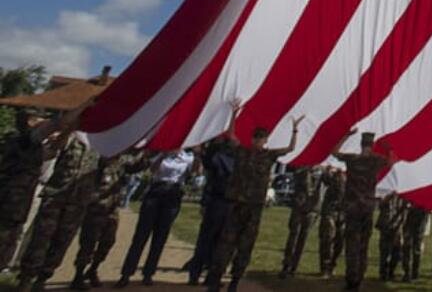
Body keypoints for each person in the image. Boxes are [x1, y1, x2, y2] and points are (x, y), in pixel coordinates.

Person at [204, 101, 302, 292]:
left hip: (254, 206)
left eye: (261, 138)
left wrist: (295, 130)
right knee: (226, 243)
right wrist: (234, 114)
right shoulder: (242, 151)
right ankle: (216, 278)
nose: (258, 141)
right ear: (252, 138)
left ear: (265, 140)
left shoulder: (268, 155)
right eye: (257, 138)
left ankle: (235, 280)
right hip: (237, 203)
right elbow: (231, 135)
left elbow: (290, 149)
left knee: (245, 245)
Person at [11, 108, 92, 291]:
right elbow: (55, 147)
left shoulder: (100, 145)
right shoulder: (74, 137)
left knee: (61, 242)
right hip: (56, 196)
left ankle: (43, 278)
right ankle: (26, 278)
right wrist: (70, 129)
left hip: (77, 202)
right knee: (41, 239)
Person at [115, 147, 195, 288]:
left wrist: (198, 155)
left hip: (173, 194)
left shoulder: (188, 158)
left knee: (160, 237)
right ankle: (126, 273)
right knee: (141, 235)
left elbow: (193, 174)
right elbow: (152, 170)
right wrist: (163, 154)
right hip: (156, 192)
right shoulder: (160, 154)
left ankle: (148, 273)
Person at [331, 130, 395, 292]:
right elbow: (391, 161)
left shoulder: (352, 159)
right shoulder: (376, 160)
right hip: (367, 207)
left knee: (352, 243)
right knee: (363, 245)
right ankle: (358, 279)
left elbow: (334, 151)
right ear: (372, 145)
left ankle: (351, 280)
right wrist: (388, 148)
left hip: (352, 207)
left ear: (361, 144)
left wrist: (345, 135)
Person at [70, 153, 143, 289]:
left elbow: (136, 167)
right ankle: (78, 275)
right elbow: (100, 165)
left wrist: (147, 154)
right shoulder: (100, 155)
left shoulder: (124, 159)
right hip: (96, 206)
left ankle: (93, 270)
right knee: (88, 243)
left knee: (108, 242)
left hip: (112, 208)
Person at [0, 110, 59, 272]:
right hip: (11, 199)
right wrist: (81, 108)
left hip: (21, 199)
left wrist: (68, 131)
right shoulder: (21, 139)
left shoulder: (34, 145)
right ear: (30, 121)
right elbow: (54, 125)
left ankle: (7, 264)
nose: (45, 120)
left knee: (15, 235)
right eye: (41, 118)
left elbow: (52, 152)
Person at [186, 137, 236, 285]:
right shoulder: (219, 157)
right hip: (217, 201)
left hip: (228, 203)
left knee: (220, 242)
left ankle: (210, 276)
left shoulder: (236, 158)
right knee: (207, 240)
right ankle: (196, 273)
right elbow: (209, 162)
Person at [279, 165, 323, 279]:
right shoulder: (302, 169)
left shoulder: (321, 171)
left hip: (312, 209)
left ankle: (294, 267)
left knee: (303, 238)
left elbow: (329, 181)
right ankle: (286, 265)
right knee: (293, 236)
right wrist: (309, 169)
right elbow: (299, 178)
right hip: (299, 207)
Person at [317, 166, 346, 278]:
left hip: (343, 211)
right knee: (328, 237)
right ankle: (325, 266)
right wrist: (329, 169)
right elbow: (325, 179)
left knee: (340, 240)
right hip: (330, 209)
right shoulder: (333, 173)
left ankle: (333, 265)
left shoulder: (351, 173)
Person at [375, 193, 405, 281]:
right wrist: (388, 197)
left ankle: (391, 272)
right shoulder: (386, 192)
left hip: (397, 225)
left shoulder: (402, 194)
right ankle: (383, 273)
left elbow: (404, 209)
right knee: (385, 251)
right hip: (386, 224)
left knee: (397, 251)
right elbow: (380, 205)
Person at [399, 199, 429, 282]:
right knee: (408, 247)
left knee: (416, 249)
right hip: (411, 218)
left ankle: (414, 273)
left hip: (420, 217)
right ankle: (407, 273)